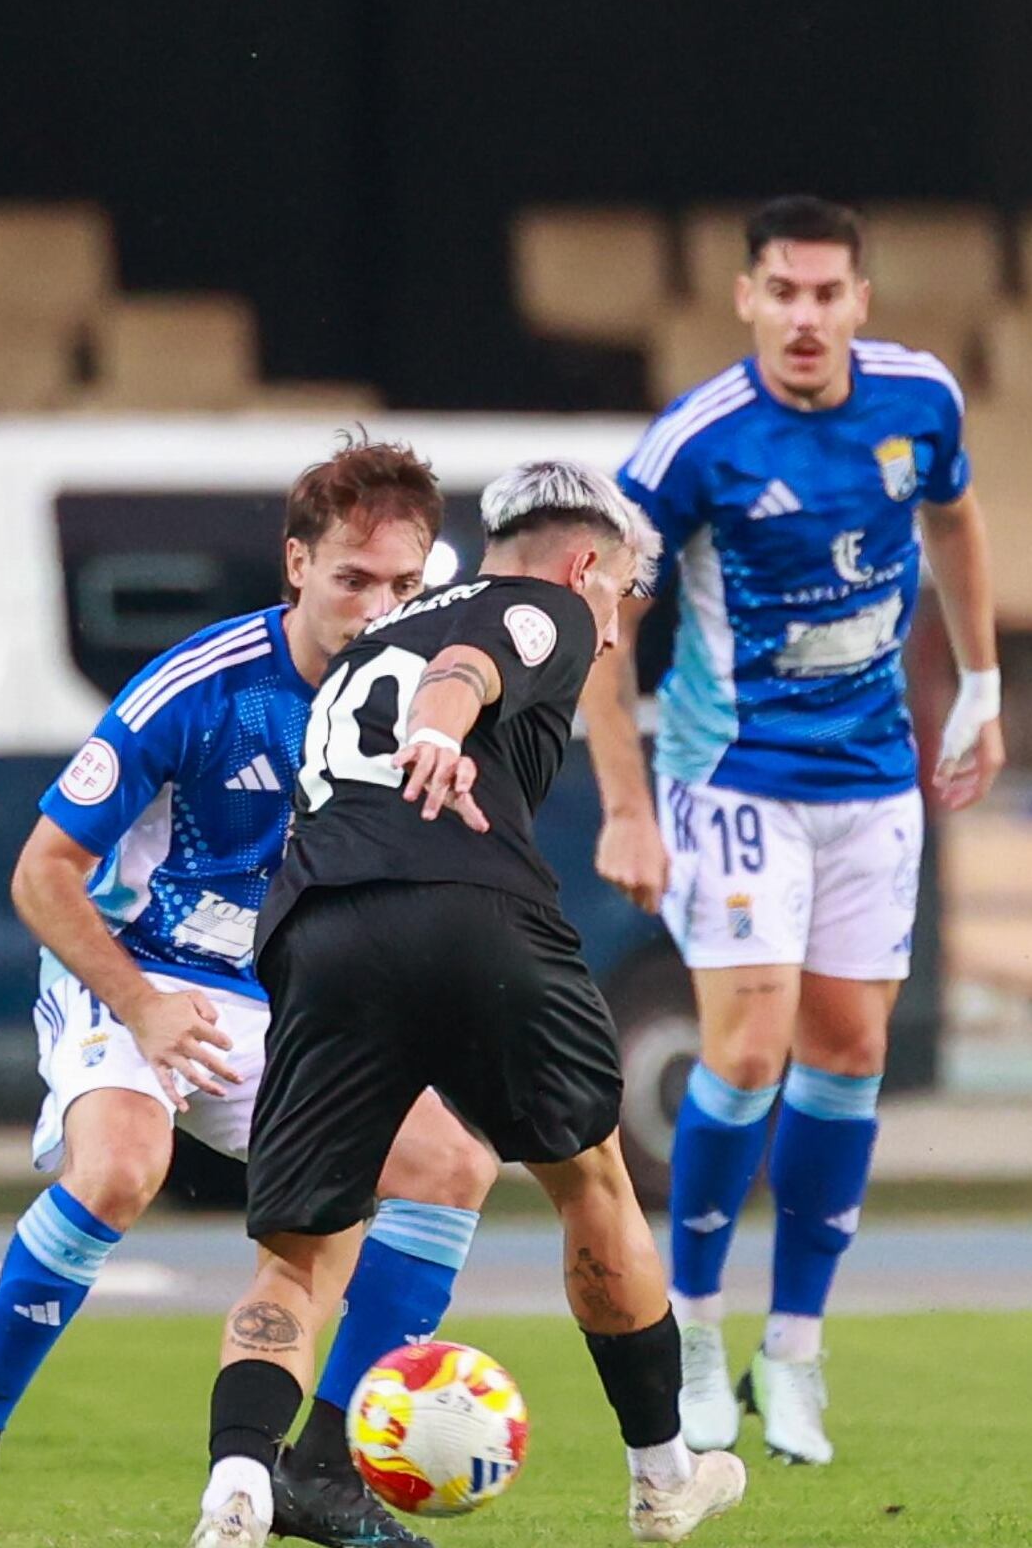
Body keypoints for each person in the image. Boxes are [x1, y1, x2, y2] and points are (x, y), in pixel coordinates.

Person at [0, 440, 499, 1548]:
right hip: (138, 968)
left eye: (403, 585)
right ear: (297, 566)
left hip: (278, 1000)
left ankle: (324, 1470)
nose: (378, 608)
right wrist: (145, 1005)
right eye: (352, 578)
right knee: (122, 1167)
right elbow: (41, 873)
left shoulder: (427, 708)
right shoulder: (204, 684)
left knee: (448, 1163)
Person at [192, 461, 746, 1547]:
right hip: (470, 908)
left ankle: (240, 1486)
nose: (616, 624)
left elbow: (439, 657)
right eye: (624, 594)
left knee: (298, 1254)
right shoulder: (545, 604)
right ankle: (663, 1475)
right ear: (586, 561)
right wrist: (444, 727)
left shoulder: (378, 627)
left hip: (320, 928)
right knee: (592, 1181)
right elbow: (470, 665)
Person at [577, 196, 1003, 1465]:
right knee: (749, 1047)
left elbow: (955, 522)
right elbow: (610, 624)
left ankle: (796, 1348)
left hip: (871, 778)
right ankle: (697, 1332)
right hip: (736, 772)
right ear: (748, 301)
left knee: (852, 1045)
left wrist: (978, 684)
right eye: (785, 292)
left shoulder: (920, 403)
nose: (808, 316)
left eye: (830, 293)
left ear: (862, 302)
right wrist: (625, 806)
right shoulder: (692, 446)